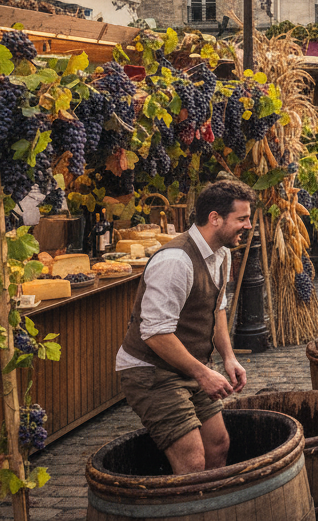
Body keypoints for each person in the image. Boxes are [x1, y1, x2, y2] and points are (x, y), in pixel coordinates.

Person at [116, 180, 254, 474]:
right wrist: (203, 373)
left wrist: (228, 358)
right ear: (215, 218)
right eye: (242, 218)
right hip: (150, 371)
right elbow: (154, 334)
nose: (248, 225)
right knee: (192, 461)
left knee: (218, 444)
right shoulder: (176, 261)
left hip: (190, 366)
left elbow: (216, 308)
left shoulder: (223, 253)